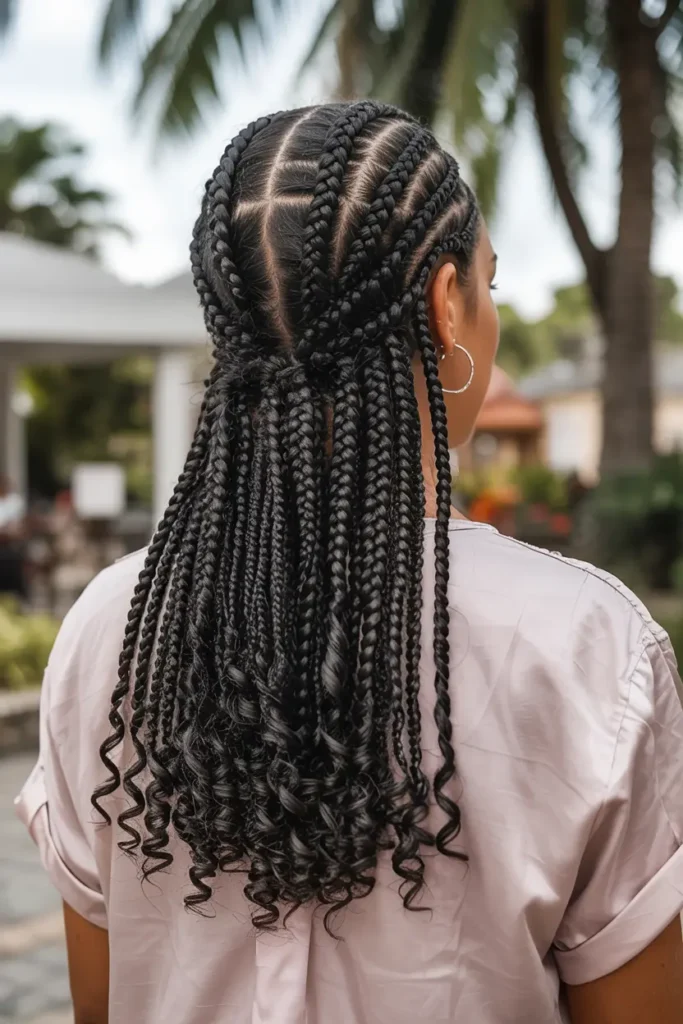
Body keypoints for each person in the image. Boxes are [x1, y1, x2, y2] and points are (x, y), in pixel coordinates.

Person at [16, 102, 683, 1024]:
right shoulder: (587, 649)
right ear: (448, 303)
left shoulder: (113, 626)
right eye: (487, 284)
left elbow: (100, 1004)